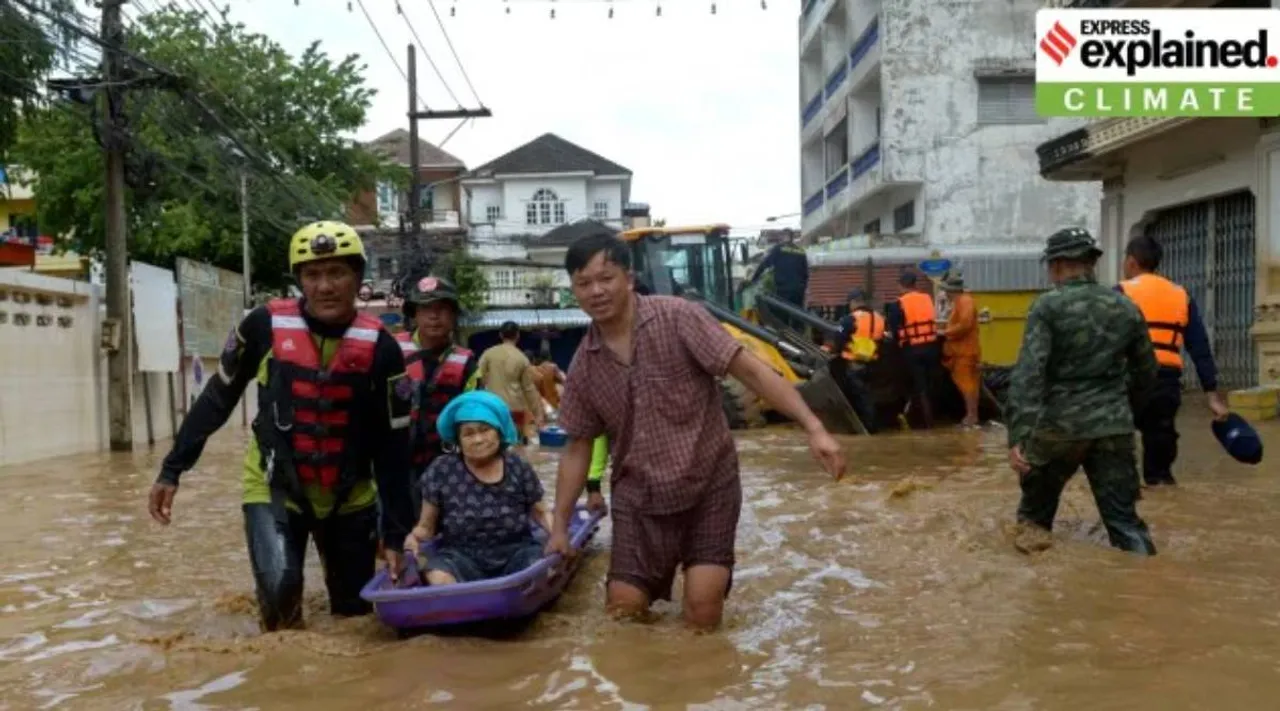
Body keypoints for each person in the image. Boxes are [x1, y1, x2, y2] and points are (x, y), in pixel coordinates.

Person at [545, 231, 846, 630]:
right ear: (574, 291)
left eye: (606, 278)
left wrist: (814, 427)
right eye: (584, 283)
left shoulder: (679, 318)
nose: (596, 291)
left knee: (702, 614)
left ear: (629, 279)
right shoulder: (584, 365)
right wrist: (560, 526)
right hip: (640, 499)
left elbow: (751, 370)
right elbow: (577, 448)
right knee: (623, 613)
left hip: (709, 486)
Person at [148, 221, 416, 630]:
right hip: (273, 485)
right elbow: (218, 398)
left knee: (354, 618)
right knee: (280, 598)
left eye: (337, 273)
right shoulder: (261, 326)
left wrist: (396, 534)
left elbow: (394, 447)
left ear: (358, 279)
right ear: (299, 281)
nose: (325, 286)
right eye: (313, 275)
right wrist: (173, 469)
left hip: (351, 495)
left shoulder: (384, 350)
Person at [1006, 227, 1158, 556]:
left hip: (1056, 429)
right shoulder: (1125, 307)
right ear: (1090, 263)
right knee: (1125, 524)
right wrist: (1123, 411)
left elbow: (1028, 375)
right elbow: (1147, 372)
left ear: (1058, 265)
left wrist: (1018, 434)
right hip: (1113, 427)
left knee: (1032, 523)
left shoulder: (1047, 307)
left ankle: (1035, 601)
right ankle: (1149, 588)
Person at [403, 391, 552, 584]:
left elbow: (540, 513)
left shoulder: (517, 466)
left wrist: (558, 535)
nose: (478, 439)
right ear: (458, 441)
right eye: (469, 433)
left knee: (539, 570)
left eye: (484, 430)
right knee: (438, 577)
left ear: (498, 431)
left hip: (518, 552)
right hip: (461, 556)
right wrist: (413, 540)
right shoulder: (441, 470)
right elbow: (426, 526)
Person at [1117, 235, 1230, 487]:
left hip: (1127, 380)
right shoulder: (1181, 295)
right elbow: (1199, 347)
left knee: (1117, 445)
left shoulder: (1121, 292)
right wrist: (1212, 395)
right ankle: (1161, 487)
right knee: (1160, 449)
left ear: (1132, 262)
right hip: (1166, 382)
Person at [396, 275, 479, 491]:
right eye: (425, 309)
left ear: (453, 316)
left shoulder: (467, 363)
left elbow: (474, 418)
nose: (434, 316)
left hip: (448, 466)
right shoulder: (392, 351)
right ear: (414, 314)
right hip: (397, 465)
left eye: (442, 309)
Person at [884, 271, 940, 429]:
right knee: (928, 384)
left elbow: (894, 331)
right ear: (915, 285)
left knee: (919, 386)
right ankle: (931, 419)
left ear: (901, 285)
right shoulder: (927, 298)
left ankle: (928, 423)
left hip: (913, 350)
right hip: (932, 347)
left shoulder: (898, 304)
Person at [476, 321, 544, 440]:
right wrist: (538, 415)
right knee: (516, 445)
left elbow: (477, 377)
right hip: (516, 409)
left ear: (501, 335)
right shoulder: (522, 358)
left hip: (493, 407)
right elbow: (529, 389)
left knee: (494, 443)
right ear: (518, 335)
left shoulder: (489, 353)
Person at [834, 287, 884, 433]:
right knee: (869, 395)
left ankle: (867, 429)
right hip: (873, 363)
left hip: (855, 364)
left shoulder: (849, 319)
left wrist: (836, 350)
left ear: (854, 302)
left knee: (859, 398)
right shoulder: (879, 318)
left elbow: (839, 339)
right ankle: (873, 426)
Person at [941, 273, 981, 427]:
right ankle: (972, 416)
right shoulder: (962, 301)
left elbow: (965, 324)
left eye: (946, 290)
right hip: (964, 350)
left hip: (964, 351)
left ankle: (971, 417)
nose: (945, 293)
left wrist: (946, 332)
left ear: (951, 291)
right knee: (970, 384)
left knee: (967, 384)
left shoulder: (964, 301)